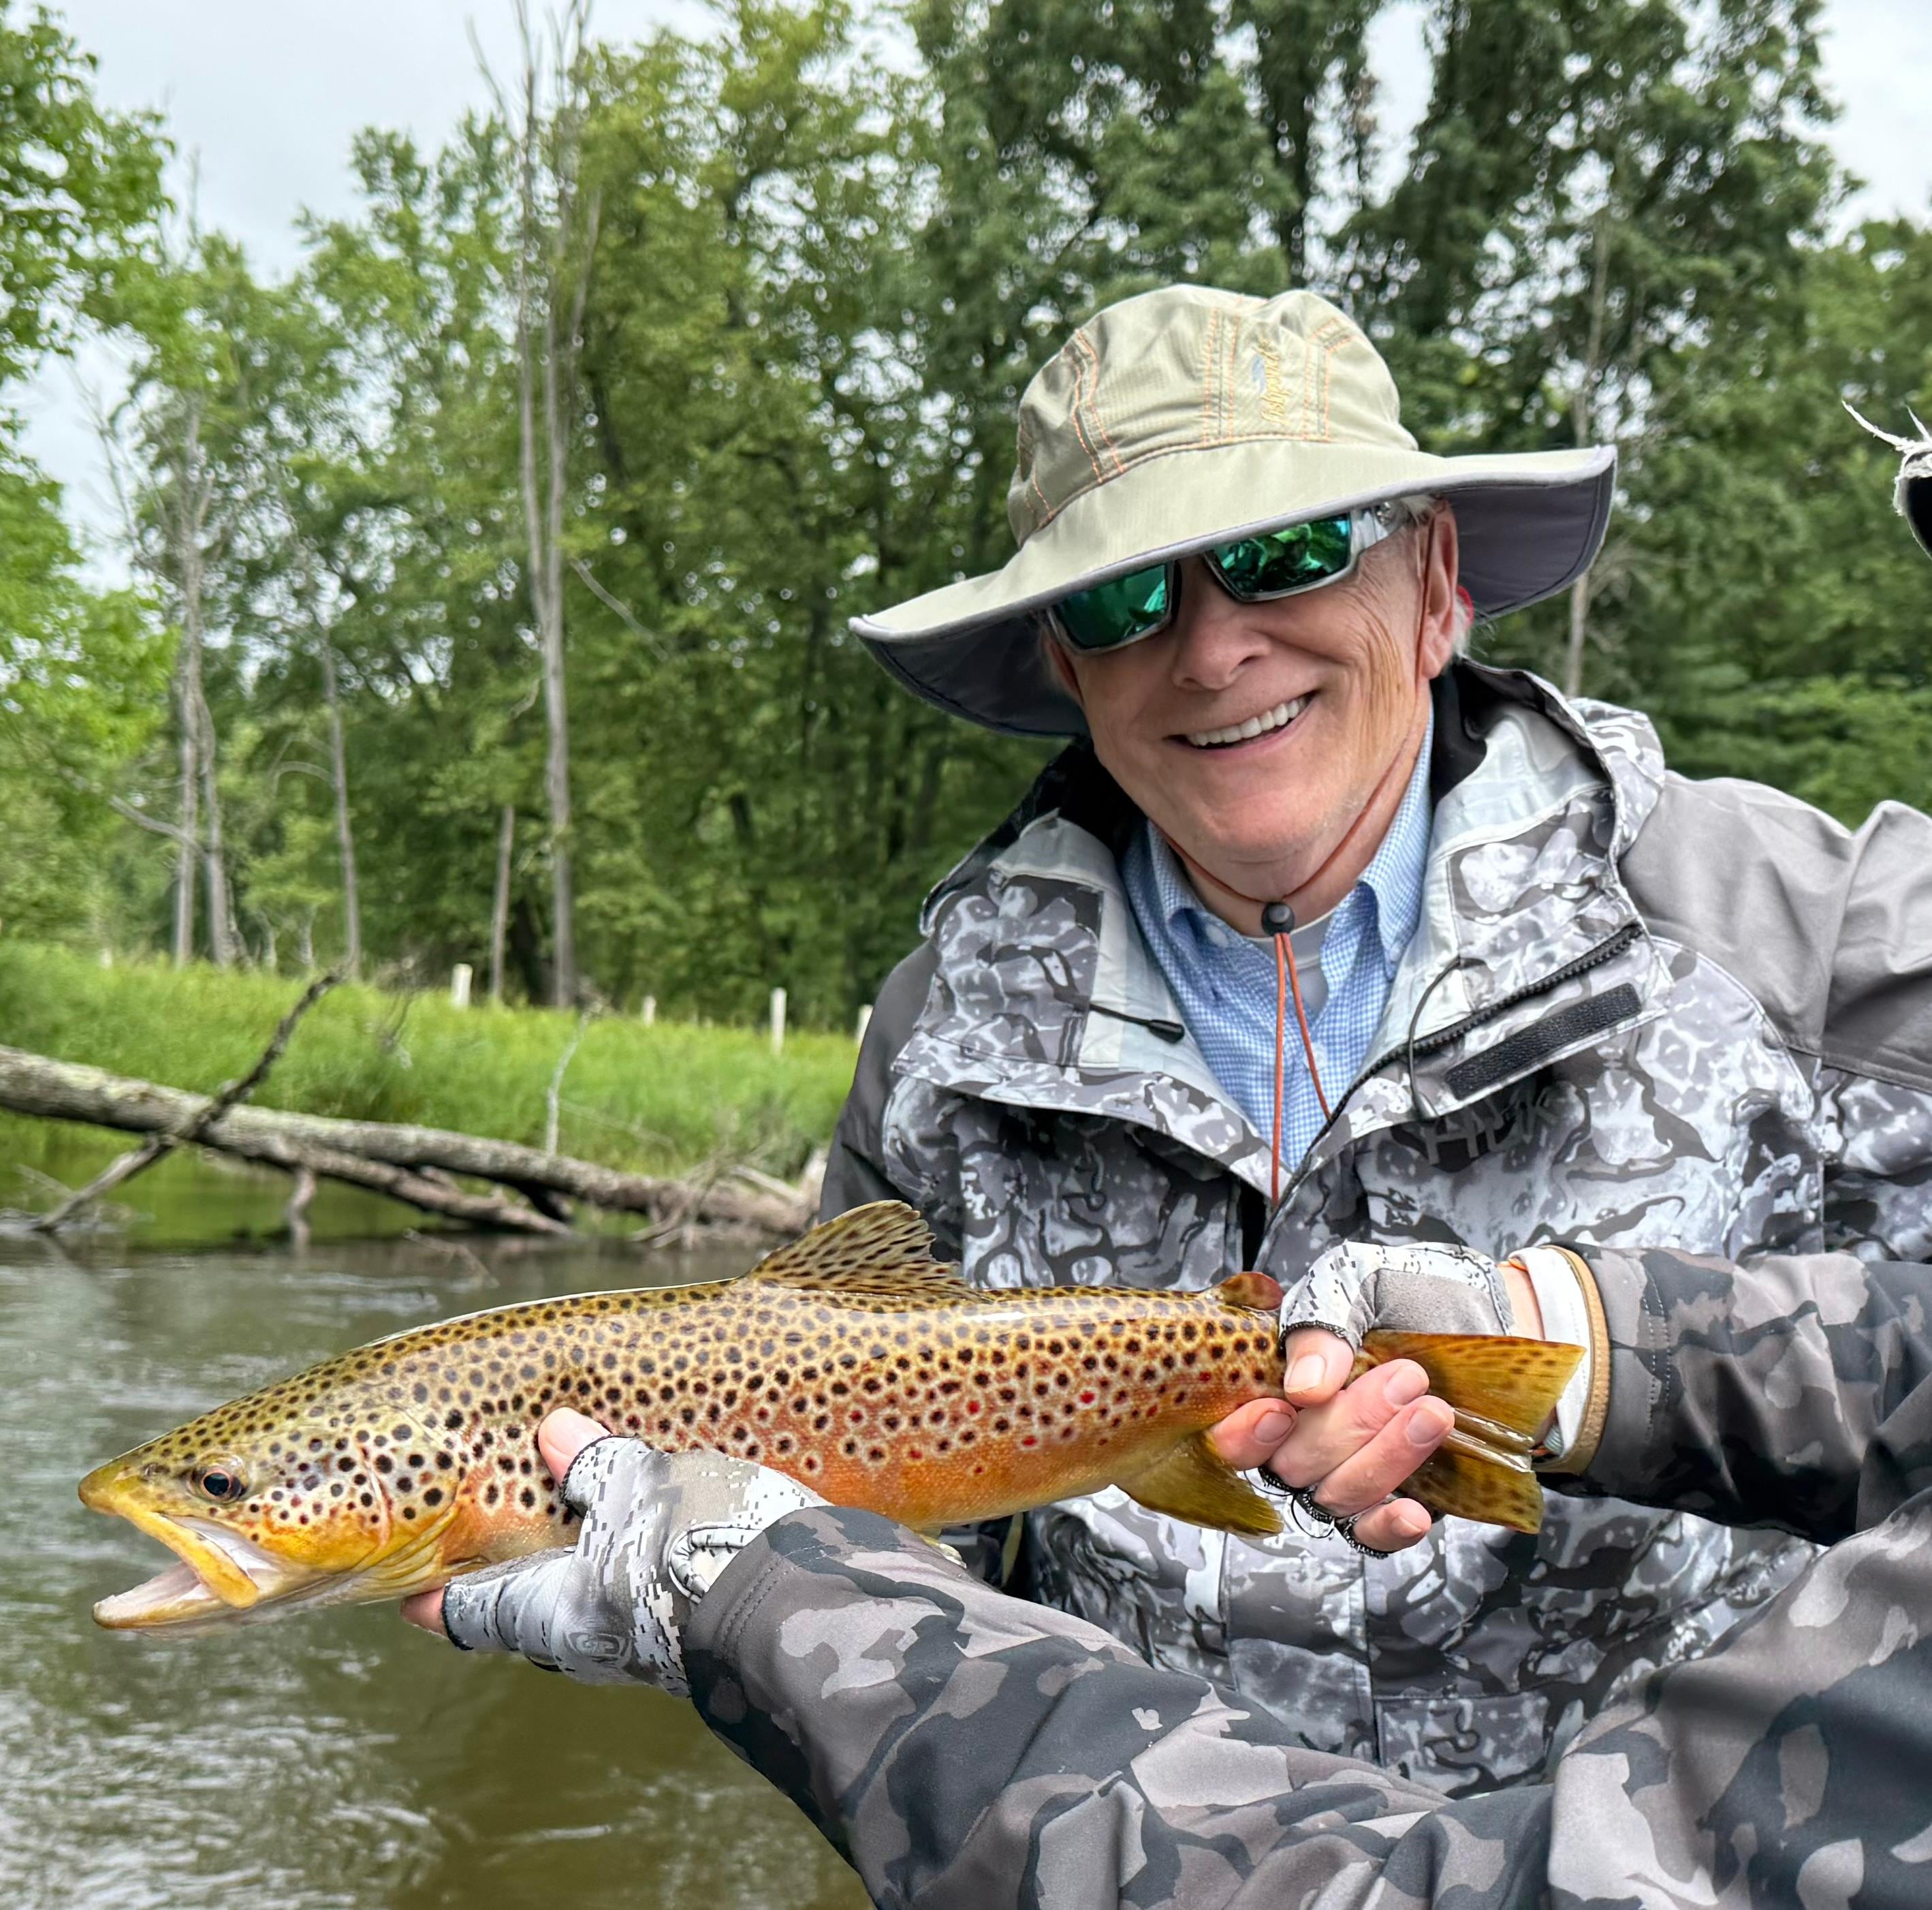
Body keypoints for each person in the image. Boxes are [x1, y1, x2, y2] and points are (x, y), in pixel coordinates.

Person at [804, 283, 1932, 1789]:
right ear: (1068, 666)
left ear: (1437, 583)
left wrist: (1607, 1353)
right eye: (1123, 599)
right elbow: (870, 1548)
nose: (1211, 651)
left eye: (1285, 551)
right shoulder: (939, 1044)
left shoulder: (1811, 933)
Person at [401, 1228, 1932, 1908]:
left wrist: (758, 1593)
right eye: (1130, 605)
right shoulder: (945, 1006)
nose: (1210, 649)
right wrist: (1587, 1338)